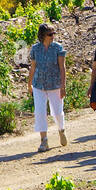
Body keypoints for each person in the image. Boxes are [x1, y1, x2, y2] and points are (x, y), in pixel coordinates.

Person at [28, 24, 68, 153]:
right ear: (42, 35)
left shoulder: (58, 48)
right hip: (39, 84)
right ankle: (44, 140)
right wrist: (29, 84)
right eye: (50, 34)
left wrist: (63, 86)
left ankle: (61, 129)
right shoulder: (35, 49)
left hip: (55, 84)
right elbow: (33, 67)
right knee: (40, 112)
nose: (53, 36)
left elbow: (62, 67)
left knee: (57, 112)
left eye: (53, 34)